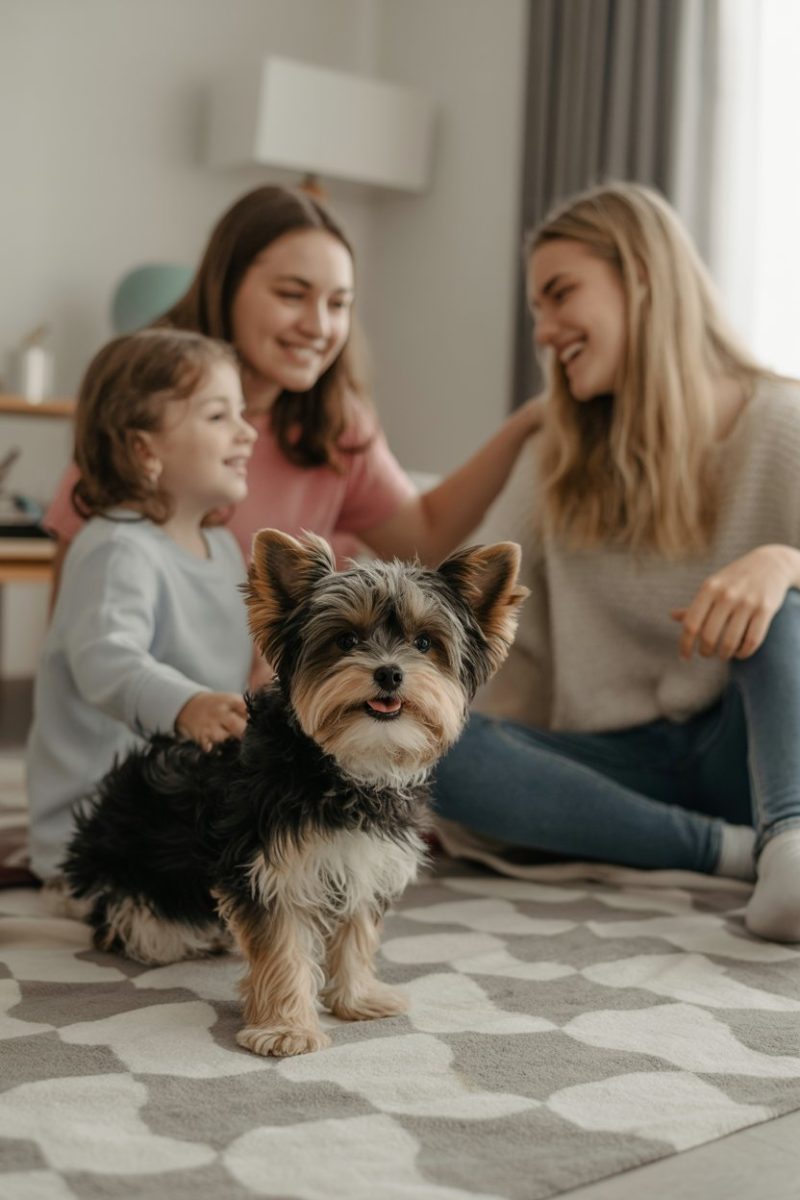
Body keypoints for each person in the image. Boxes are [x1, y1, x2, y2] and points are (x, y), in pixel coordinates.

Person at [432, 181, 800, 944]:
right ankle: (740, 854)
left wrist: (782, 562)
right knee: (429, 742)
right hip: (616, 762)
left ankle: (792, 843)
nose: (543, 331)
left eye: (561, 294)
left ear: (641, 277)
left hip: (754, 750)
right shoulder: (556, 458)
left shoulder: (783, 422)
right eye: (537, 309)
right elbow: (460, 601)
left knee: (786, 607)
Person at [44, 185, 542, 590]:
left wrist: (528, 422)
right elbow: (73, 602)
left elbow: (424, 537)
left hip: (285, 705)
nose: (319, 326)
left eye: (339, 304)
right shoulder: (146, 403)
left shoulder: (335, 422)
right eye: (292, 294)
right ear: (226, 284)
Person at [26, 328, 257, 882]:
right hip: (98, 830)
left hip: (179, 798)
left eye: (242, 413)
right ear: (143, 447)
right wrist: (188, 706)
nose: (247, 432)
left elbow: (234, 658)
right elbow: (107, 660)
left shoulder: (223, 547)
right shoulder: (115, 546)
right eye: (218, 416)